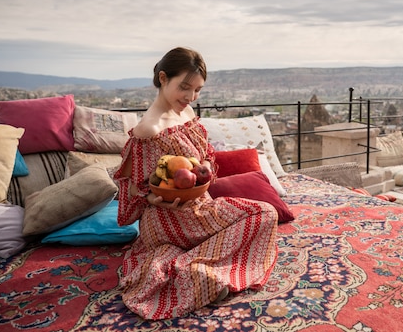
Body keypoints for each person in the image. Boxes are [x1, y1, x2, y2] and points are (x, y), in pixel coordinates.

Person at [114, 47, 279, 320]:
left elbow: (205, 159)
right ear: (164, 79)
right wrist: (151, 198)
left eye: (198, 90)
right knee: (263, 213)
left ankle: (196, 269)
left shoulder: (187, 113)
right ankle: (196, 272)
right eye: (185, 87)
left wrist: (203, 169)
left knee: (264, 215)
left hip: (199, 207)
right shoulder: (149, 129)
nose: (191, 97)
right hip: (169, 217)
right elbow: (134, 186)